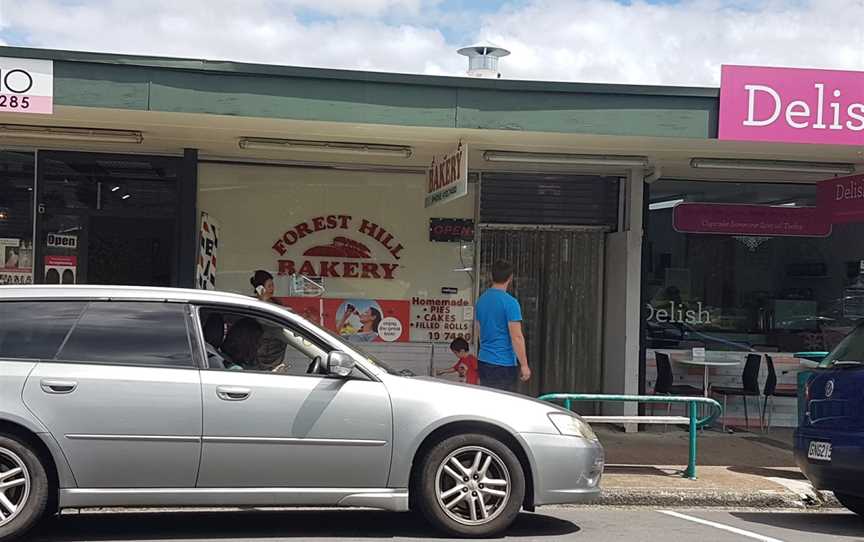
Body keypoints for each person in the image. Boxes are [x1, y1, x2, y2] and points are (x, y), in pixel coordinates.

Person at [475, 259, 531, 391]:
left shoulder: (481, 300)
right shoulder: (511, 303)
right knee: (503, 403)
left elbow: (478, 330)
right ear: (510, 278)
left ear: (491, 276)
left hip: (484, 360)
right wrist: (524, 365)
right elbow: (516, 336)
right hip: (503, 363)